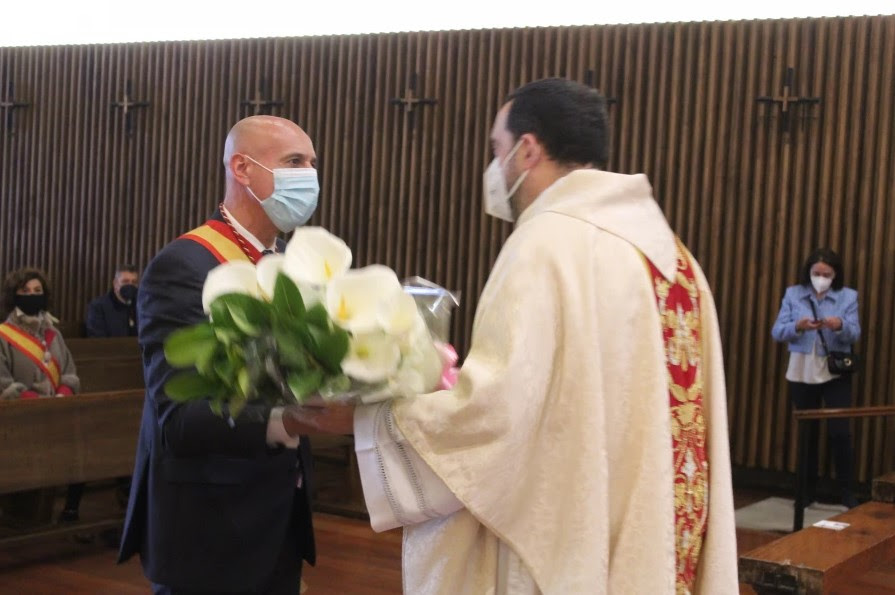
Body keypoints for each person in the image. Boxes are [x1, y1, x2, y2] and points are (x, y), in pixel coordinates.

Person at [315, 78, 738, 593]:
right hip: (655, 536)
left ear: (528, 149)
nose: (494, 166)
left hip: (575, 533)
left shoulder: (546, 243)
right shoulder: (673, 259)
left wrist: (371, 420)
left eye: (498, 149)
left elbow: (495, 414)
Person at [119, 115, 344, 594]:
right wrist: (297, 419)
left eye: (312, 163)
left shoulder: (284, 265)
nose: (310, 176)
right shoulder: (185, 266)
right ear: (242, 168)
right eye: (294, 162)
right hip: (211, 528)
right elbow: (180, 419)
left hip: (277, 516)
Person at [772, 248, 860, 509]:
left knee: (840, 432)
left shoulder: (848, 297)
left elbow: (855, 333)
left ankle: (847, 493)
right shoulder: (793, 293)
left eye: (827, 274)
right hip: (801, 369)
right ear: (808, 272)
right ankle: (805, 492)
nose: (821, 278)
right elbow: (777, 331)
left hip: (834, 370)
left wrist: (840, 325)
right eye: (816, 273)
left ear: (835, 275)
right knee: (806, 432)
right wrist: (798, 326)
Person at [0, 268, 80, 526]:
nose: (32, 296)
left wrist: (61, 397)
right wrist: (36, 404)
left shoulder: (54, 334)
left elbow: (69, 373)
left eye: (37, 291)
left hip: (55, 415)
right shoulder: (3, 335)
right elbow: (3, 383)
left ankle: (68, 511)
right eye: (25, 292)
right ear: (14, 296)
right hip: (18, 421)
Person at [86, 264, 140, 337]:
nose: (130, 285)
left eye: (134, 282)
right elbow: (97, 339)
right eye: (125, 281)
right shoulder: (98, 307)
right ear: (115, 283)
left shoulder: (141, 306)